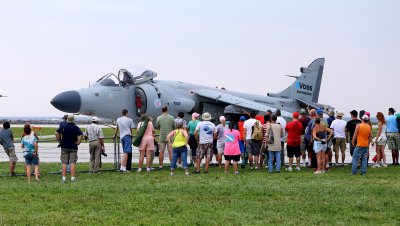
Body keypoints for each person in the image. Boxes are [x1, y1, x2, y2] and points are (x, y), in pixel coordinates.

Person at [56, 115, 83, 182]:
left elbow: (56, 133)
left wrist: (59, 140)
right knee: (73, 162)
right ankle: (72, 177)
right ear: (73, 120)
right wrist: (78, 142)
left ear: (67, 119)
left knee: (64, 163)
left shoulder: (63, 126)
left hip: (64, 146)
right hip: (73, 146)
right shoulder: (76, 127)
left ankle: (64, 178)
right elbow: (81, 135)